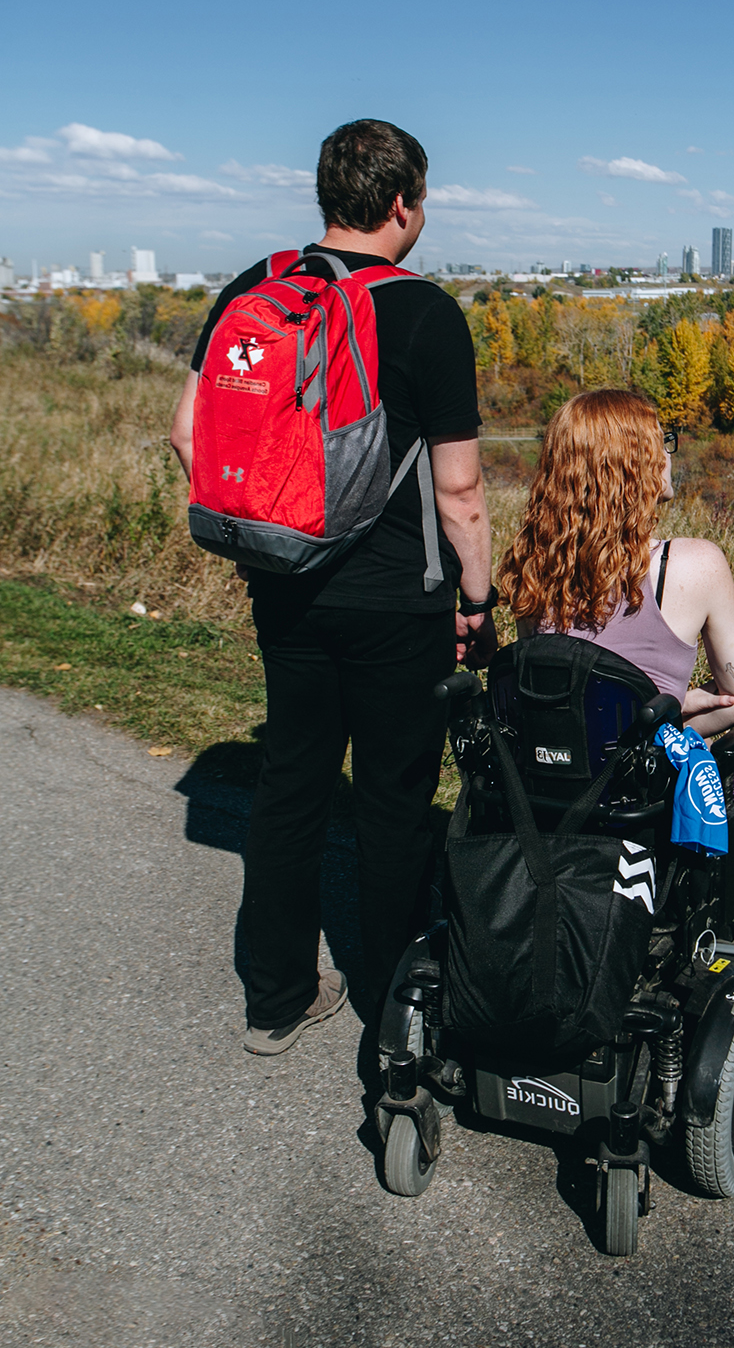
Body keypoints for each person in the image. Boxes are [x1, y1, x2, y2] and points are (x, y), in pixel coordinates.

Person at [170, 119, 498, 1055]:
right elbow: (461, 490)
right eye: (423, 200)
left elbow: (189, 433)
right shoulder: (427, 314)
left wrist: (262, 540)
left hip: (286, 588)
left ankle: (274, 998)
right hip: (401, 602)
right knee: (395, 800)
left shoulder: (256, 288)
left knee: (292, 786)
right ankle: (394, 1011)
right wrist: (477, 599)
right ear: (402, 204)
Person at [497, 388, 734, 738]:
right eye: (660, 442)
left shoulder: (535, 567)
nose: (668, 456)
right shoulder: (696, 565)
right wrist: (665, 713)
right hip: (637, 787)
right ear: (634, 463)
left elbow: (554, 695)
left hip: (545, 782)